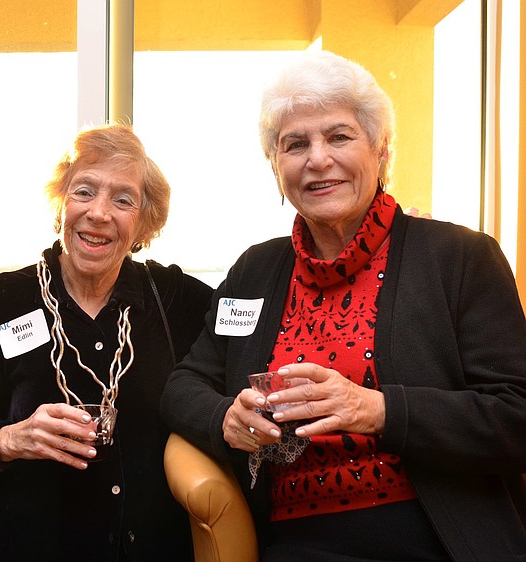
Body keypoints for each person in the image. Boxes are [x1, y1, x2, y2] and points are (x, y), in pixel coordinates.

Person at [161, 51, 526, 561]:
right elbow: (182, 385)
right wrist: (227, 417)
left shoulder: (459, 258)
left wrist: (375, 409)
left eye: (338, 136)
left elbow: (515, 416)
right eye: (295, 144)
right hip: (293, 547)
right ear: (276, 166)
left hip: (435, 540)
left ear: (380, 150)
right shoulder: (255, 271)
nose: (317, 159)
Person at [0, 123, 213, 561]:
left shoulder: (175, 301)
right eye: (84, 191)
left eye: (123, 199)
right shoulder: (3, 300)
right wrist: (11, 438)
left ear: (144, 222)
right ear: (61, 204)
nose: (99, 213)